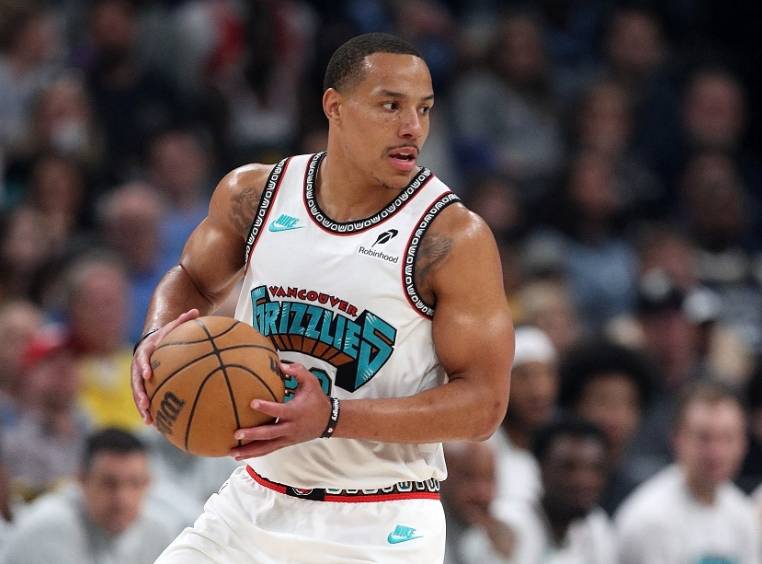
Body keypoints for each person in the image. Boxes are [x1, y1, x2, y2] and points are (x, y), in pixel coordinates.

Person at [130, 32, 514, 563]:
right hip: (254, 501)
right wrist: (156, 337)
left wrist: (332, 417)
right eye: (391, 105)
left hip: (380, 522)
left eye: (424, 109)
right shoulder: (256, 193)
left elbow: (484, 407)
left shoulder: (449, 237)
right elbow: (192, 279)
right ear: (335, 106)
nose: (413, 127)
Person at [616, 380, 760, 564]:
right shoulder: (650, 520)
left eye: (727, 438)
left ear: (744, 443)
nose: (716, 452)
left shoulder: (741, 514)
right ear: (677, 439)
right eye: (704, 438)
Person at [0, 428, 175, 564]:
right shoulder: (46, 530)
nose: (122, 498)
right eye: (109, 483)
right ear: (81, 480)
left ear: (148, 483)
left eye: (134, 483)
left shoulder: (159, 532)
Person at [497, 417, 617, 564]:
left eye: (595, 468)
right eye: (569, 467)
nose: (583, 480)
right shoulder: (510, 523)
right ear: (541, 468)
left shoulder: (597, 526)